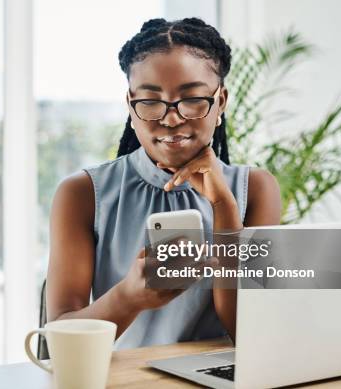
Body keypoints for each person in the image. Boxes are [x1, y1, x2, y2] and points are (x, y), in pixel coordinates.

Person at [46, 17, 281, 349]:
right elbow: (59, 337)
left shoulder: (255, 189)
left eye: (192, 99)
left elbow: (249, 332)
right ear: (130, 104)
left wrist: (224, 207)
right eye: (151, 101)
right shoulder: (82, 194)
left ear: (221, 101)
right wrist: (128, 297)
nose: (172, 119)